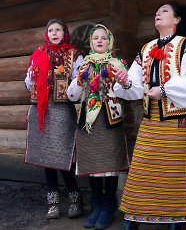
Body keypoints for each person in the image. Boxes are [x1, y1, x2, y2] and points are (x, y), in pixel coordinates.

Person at [114, 1, 186, 230]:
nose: (158, 13)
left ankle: (173, 224)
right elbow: (137, 83)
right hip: (152, 121)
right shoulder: (146, 49)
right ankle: (134, 220)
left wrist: (165, 90)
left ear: (177, 20)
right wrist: (125, 82)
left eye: (165, 11)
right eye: (156, 11)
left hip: (179, 123)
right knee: (142, 175)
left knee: (173, 178)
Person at [67, 24, 129, 229]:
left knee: (109, 167)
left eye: (104, 38)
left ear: (110, 42)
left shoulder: (118, 64)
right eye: (96, 38)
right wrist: (79, 78)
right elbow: (72, 95)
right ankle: (97, 207)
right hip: (88, 122)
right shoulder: (84, 64)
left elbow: (126, 92)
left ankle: (108, 207)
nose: (100, 41)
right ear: (91, 42)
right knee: (93, 166)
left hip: (109, 119)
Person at [24, 18, 84, 219]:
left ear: (64, 32)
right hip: (41, 110)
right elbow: (28, 79)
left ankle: (75, 198)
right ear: (46, 33)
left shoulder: (74, 55)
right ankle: (54, 202)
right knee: (45, 158)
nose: (54, 33)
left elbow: (79, 81)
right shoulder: (39, 54)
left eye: (58, 30)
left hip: (62, 109)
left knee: (62, 155)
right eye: (50, 30)